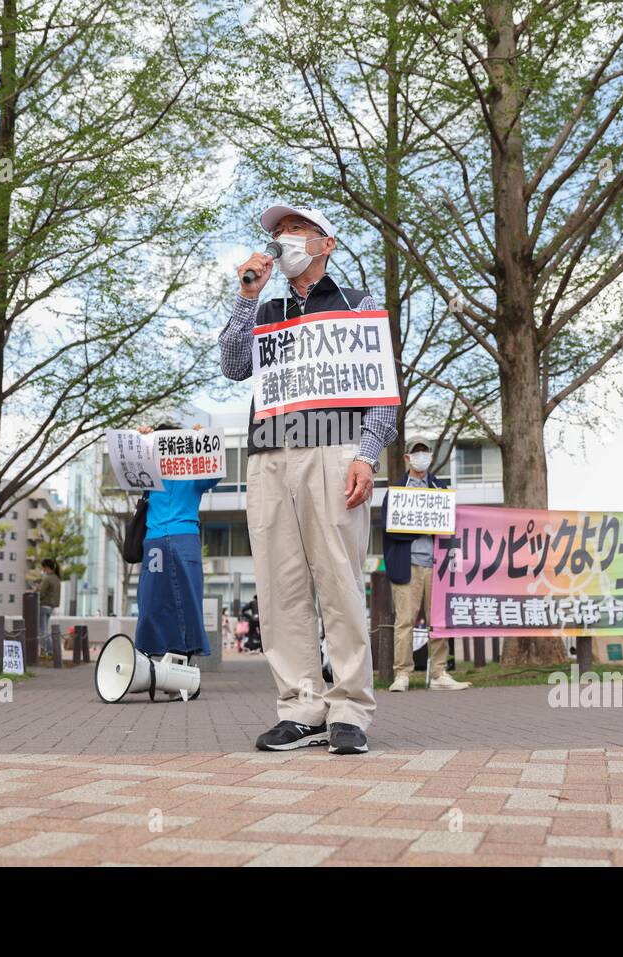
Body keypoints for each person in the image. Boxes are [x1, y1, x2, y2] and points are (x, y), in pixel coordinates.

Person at [223, 204, 398, 755]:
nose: (283, 239)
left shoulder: (359, 306)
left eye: (295, 230)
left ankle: (348, 706)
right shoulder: (266, 308)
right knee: (281, 586)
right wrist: (247, 297)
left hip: (334, 449)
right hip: (271, 454)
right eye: (276, 233)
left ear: (326, 244)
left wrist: (366, 455)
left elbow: (383, 391)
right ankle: (301, 707)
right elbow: (232, 365)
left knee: (339, 581)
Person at [382, 436, 470, 691]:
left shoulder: (440, 490)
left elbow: (451, 526)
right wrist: (421, 528)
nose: (421, 457)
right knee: (404, 621)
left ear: (430, 456)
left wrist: (422, 526)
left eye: (425, 452)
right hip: (406, 564)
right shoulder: (397, 492)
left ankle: (440, 673)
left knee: (439, 620)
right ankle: (402, 674)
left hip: (436, 566)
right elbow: (391, 530)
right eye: (415, 453)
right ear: (407, 458)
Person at [132, 421, 220, 671]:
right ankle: (166, 657)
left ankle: (177, 660)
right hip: (176, 539)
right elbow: (128, 465)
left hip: (163, 539)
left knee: (164, 599)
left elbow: (215, 472)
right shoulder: (151, 472)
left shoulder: (191, 473)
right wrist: (141, 440)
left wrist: (203, 438)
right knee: (165, 599)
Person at [37, 558, 61, 655]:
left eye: (43, 568)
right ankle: (50, 650)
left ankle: (46, 650)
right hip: (51, 608)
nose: (43, 570)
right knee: (45, 630)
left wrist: (36, 590)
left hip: (43, 606)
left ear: (47, 568)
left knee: (42, 631)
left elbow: (41, 593)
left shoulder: (47, 579)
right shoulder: (56, 578)